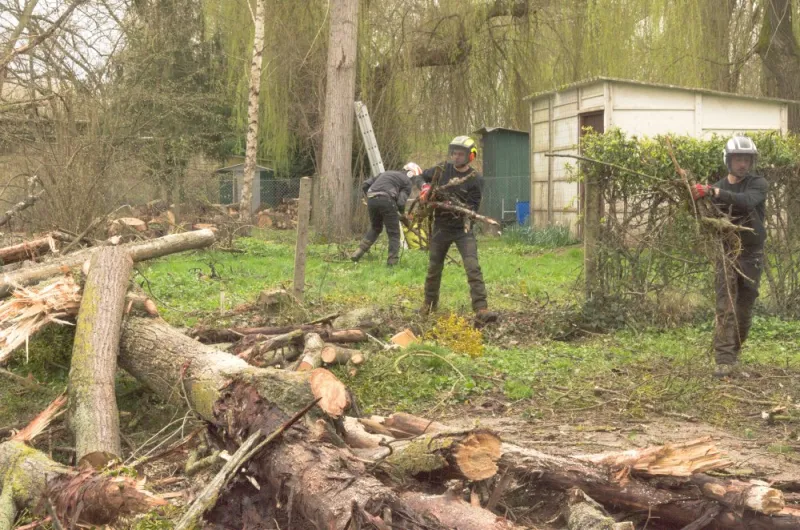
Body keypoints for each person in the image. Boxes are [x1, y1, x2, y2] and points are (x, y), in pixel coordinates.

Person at [691, 135, 767, 378]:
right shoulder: (717, 186)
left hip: (752, 254)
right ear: (728, 160)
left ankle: (733, 355)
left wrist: (713, 192)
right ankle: (723, 361)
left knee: (744, 310)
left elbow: (747, 202)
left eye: (746, 159)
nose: (742, 164)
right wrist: (697, 197)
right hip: (726, 254)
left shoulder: (758, 184)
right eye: (738, 159)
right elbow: (706, 217)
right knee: (726, 306)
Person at [419, 135, 498, 324]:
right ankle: (429, 305)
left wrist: (451, 205)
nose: (456, 157)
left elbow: (472, 208)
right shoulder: (442, 169)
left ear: (470, 156)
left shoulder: (475, 179)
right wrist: (425, 188)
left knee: (472, 267)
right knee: (433, 267)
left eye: (460, 154)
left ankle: (481, 308)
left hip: (462, 229)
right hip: (441, 227)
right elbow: (421, 176)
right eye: (454, 153)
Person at [350, 162, 421, 266]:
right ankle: (392, 263)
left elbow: (365, 185)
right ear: (411, 174)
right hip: (387, 199)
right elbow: (401, 202)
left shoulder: (386, 173)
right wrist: (401, 215)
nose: (414, 182)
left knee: (375, 228)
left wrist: (370, 198)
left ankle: (358, 252)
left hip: (371, 199)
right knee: (394, 233)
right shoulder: (407, 182)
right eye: (415, 179)